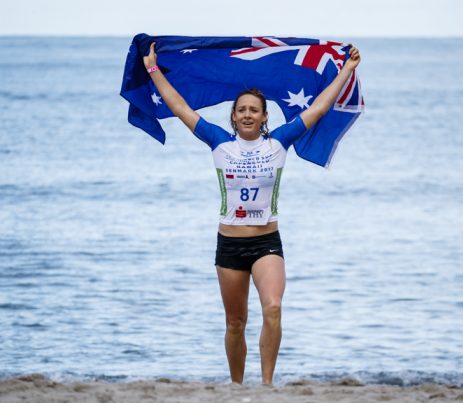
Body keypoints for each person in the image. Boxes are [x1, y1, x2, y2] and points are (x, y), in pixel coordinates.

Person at [143, 41, 360, 385]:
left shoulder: (279, 142)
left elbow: (317, 108)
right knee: (235, 323)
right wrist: (153, 69)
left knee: (272, 308)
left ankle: (267, 386)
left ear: (264, 116)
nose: (247, 114)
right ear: (233, 115)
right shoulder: (218, 142)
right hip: (229, 246)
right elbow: (181, 107)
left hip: (266, 243)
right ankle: (236, 385)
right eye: (241, 109)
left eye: (254, 110)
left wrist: (346, 69)